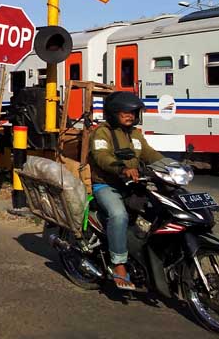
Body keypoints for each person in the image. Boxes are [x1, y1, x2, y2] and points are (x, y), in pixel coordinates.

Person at [89, 91, 164, 291]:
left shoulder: (135, 133)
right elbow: (101, 156)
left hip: (132, 184)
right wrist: (122, 169)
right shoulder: (102, 132)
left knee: (158, 211)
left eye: (134, 112)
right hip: (106, 185)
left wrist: (171, 165)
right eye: (126, 112)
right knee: (119, 215)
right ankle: (119, 264)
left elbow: (150, 154)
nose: (131, 115)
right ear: (113, 112)